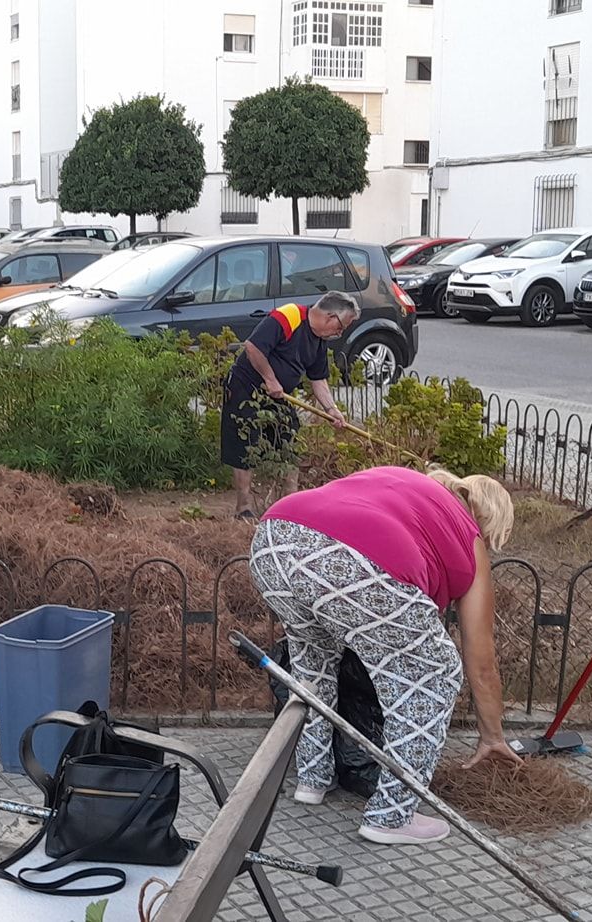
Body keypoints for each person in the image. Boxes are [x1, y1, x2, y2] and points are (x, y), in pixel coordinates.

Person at [249, 465, 522, 845]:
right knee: (434, 674)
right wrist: (492, 736)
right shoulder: (467, 531)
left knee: (313, 663)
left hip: (273, 540)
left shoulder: (402, 484)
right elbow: (481, 658)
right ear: (489, 518)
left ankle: (312, 779)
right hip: (349, 561)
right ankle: (391, 816)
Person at [222, 293, 354, 518]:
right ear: (330, 316)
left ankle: (287, 507)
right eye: (341, 327)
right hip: (247, 388)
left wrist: (331, 410)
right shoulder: (290, 315)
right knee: (243, 445)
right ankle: (243, 509)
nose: (339, 334)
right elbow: (253, 347)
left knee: (289, 442)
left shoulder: (319, 341)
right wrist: (270, 379)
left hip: (280, 397)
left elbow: (318, 379)